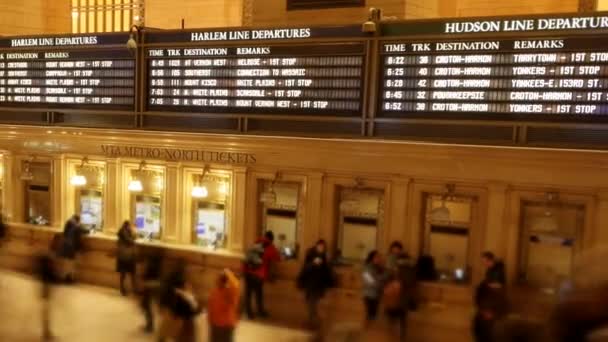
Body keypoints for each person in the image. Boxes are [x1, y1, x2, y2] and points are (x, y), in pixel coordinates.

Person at [158, 261, 201, 342]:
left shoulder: (175, 290)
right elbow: (195, 309)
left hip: (175, 315)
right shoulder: (186, 296)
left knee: (166, 332)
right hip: (182, 320)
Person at [297, 240, 336, 328]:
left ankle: (313, 319)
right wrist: (313, 263)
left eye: (323, 247)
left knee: (313, 301)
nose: (322, 248)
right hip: (310, 282)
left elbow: (327, 270)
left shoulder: (325, 256)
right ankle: (313, 319)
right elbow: (305, 268)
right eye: (320, 247)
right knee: (311, 301)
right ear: (317, 246)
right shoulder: (310, 255)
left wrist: (328, 261)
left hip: (319, 283)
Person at [243, 231, 280, 319]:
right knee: (258, 294)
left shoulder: (256, 243)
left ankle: (249, 312)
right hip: (258, 275)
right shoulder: (271, 248)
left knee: (249, 293)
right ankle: (259, 311)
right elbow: (277, 259)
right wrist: (272, 277)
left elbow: (247, 256)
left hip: (248, 272)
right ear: (272, 240)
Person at [383, 254, 417, 341]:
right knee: (402, 321)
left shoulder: (396, 270)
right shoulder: (412, 270)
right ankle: (400, 338)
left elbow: (388, 281)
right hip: (404, 300)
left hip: (394, 299)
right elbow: (412, 285)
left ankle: (391, 338)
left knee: (392, 322)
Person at [208, 269, 240, 342]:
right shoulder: (214, 291)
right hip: (215, 326)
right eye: (217, 279)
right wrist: (210, 319)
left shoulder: (230, 292)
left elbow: (235, 285)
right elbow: (210, 306)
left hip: (226, 326)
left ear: (225, 282)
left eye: (219, 279)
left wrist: (227, 272)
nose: (217, 281)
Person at [36, 251, 58, 341]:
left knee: (46, 313)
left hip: (45, 292)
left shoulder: (44, 271)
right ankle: (46, 331)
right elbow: (54, 278)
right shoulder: (47, 271)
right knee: (46, 313)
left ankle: (46, 330)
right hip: (46, 292)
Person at [59, 214, 88, 283]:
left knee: (66, 262)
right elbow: (85, 231)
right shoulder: (76, 225)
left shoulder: (68, 223)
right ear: (78, 220)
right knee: (71, 263)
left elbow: (64, 233)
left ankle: (66, 277)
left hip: (65, 246)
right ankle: (69, 278)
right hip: (71, 247)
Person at [140, 251, 163, 333]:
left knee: (147, 307)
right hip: (156, 286)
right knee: (150, 306)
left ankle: (149, 325)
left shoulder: (150, 267)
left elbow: (145, 276)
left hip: (149, 286)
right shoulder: (159, 267)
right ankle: (150, 325)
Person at [362, 250, 386, 327]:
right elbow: (370, 281)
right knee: (370, 316)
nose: (380, 259)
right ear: (372, 258)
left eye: (380, 257)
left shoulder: (379, 268)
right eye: (377, 257)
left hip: (376, 295)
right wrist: (381, 281)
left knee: (373, 316)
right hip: (369, 295)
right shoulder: (366, 268)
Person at [116, 220, 137, 296]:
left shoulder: (121, 234)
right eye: (129, 226)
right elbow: (131, 241)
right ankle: (133, 289)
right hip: (127, 257)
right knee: (131, 274)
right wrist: (134, 231)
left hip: (122, 257)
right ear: (127, 226)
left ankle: (123, 289)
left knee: (123, 274)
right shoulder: (125, 233)